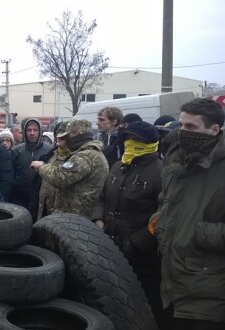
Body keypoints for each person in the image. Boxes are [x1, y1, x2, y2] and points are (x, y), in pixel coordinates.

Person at [151, 98, 225, 329]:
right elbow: (168, 200)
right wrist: (162, 218)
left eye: (191, 127)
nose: (183, 132)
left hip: (207, 292)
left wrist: (198, 232)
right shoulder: (177, 157)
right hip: (171, 282)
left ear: (214, 130)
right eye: (181, 125)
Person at [92, 121, 168, 328]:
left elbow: (164, 214)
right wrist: (99, 220)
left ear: (150, 143)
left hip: (141, 254)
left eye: (136, 140)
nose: (130, 143)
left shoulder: (162, 172)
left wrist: (138, 241)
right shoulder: (118, 166)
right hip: (109, 244)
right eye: (127, 139)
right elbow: (102, 197)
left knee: (141, 303)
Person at [31, 119, 108, 219]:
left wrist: (40, 166)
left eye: (68, 136)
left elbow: (60, 177)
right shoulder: (91, 154)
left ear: (78, 134)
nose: (67, 140)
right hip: (74, 216)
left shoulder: (85, 156)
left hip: (75, 216)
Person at [11, 118, 51, 221]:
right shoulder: (17, 150)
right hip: (19, 197)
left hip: (40, 198)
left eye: (35, 130)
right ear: (24, 132)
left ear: (40, 132)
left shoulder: (49, 150)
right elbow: (11, 173)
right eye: (29, 130)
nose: (32, 133)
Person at [37, 122, 70, 218]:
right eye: (57, 134)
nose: (58, 137)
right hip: (44, 206)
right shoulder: (50, 155)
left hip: (60, 212)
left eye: (62, 135)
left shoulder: (74, 158)